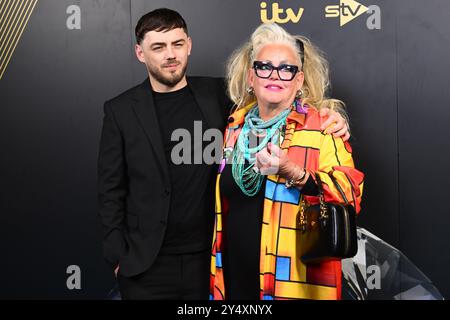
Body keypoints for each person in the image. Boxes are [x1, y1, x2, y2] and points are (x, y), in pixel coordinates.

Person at [98, 9, 350, 300]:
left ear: (189, 46)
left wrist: (330, 115)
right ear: (140, 53)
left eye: (177, 44)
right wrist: (117, 257)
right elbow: (110, 189)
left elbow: (279, 93)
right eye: (158, 47)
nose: (170, 55)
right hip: (147, 265)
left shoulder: (220, 97)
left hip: (207, 262)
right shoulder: (121, 110)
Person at [210, 23, 364, 300]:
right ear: (250, 77)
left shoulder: (322, 127)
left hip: (293, 281)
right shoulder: (234, 128)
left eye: (286, 69)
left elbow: (350, 194)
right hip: (234, 276)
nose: (275, 75)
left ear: (299, 79)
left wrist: (295, 172)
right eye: (265, 67)